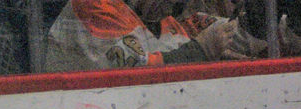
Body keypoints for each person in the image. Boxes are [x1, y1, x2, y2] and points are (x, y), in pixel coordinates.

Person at [44, 0, 239, 72]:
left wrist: (218, 54)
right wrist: (201, 49)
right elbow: (138, 74)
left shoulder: (144, 16)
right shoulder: (94, 5)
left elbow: (163, 51)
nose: (172, 7)